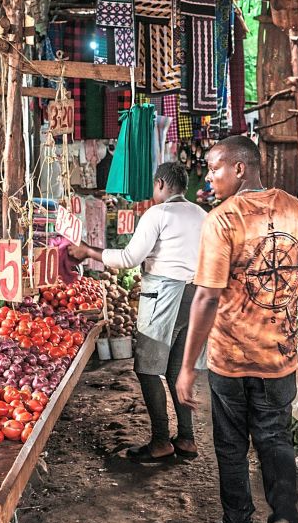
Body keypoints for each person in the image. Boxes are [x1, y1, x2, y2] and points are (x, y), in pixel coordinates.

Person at [175, 135, 298, 523]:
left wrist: (187, 366)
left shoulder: (223, 220)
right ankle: (284, 522)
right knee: (276, 440)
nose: (208, 176)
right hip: (279, 358)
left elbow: (205, 298)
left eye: (214, 168)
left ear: (240, 169)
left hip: (229, 359)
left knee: (230, 446)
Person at [68, 163, 206, 462]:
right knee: (175, 370)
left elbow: (130, 258)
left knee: (146, 369)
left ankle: (160, 441)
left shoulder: (158, 214)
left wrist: (89, 251)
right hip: (195, 296)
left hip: (164, 296)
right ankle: (186, 438)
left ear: (160, 184)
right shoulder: (200, 214)